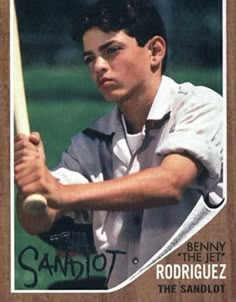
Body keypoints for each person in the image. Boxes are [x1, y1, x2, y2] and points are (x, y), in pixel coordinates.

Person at [14, 0, 224, 289]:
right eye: (90, 58)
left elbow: (170, 183)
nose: (98, 66)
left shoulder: (202, 106)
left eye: (111, 51)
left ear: (155, 51)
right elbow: (38, 221)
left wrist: (60, 193)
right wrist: (31, 184)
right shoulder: (89, 143)